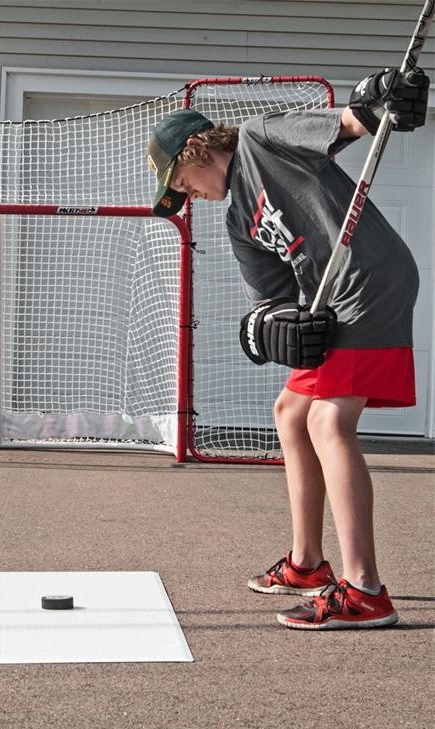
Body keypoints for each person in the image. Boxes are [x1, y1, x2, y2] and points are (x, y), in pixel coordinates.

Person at [147, 67, 429, 629]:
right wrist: (270, 328)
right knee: (291, 412)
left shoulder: (261, 138)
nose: (186, 196)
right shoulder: (237, 221)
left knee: (327, 421)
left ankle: (365, 591)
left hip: (368, 279)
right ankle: (306, 564)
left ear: (196, 149)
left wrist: (379, 98)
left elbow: (348, 125)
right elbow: (271, 304)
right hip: (332, 298)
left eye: (180, 181)